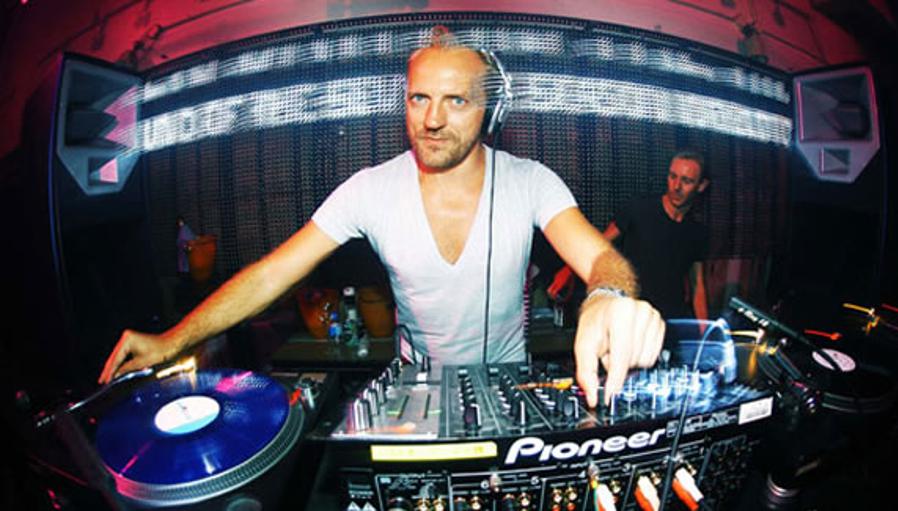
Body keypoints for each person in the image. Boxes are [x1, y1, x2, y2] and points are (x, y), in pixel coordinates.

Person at [98, 37, 664, 408]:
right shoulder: (369, 190)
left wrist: (607, 296)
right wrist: (173, 340)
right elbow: (272, 274)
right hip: (413, 393)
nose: (432, 119)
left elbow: (600, 258)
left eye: (456, 101)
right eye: (419, 98)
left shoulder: (531, 181)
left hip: (507, 387)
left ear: (491, 111)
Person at [548, 151, 710, 321]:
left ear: (701, 186)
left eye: (686, 181)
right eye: (672, 176)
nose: (676, 186)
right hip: (631, 316)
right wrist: (568, 271)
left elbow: (697, 285)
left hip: (670, 320)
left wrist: (706, 329)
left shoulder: (697, 232)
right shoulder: (639, 208)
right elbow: (600, 243)